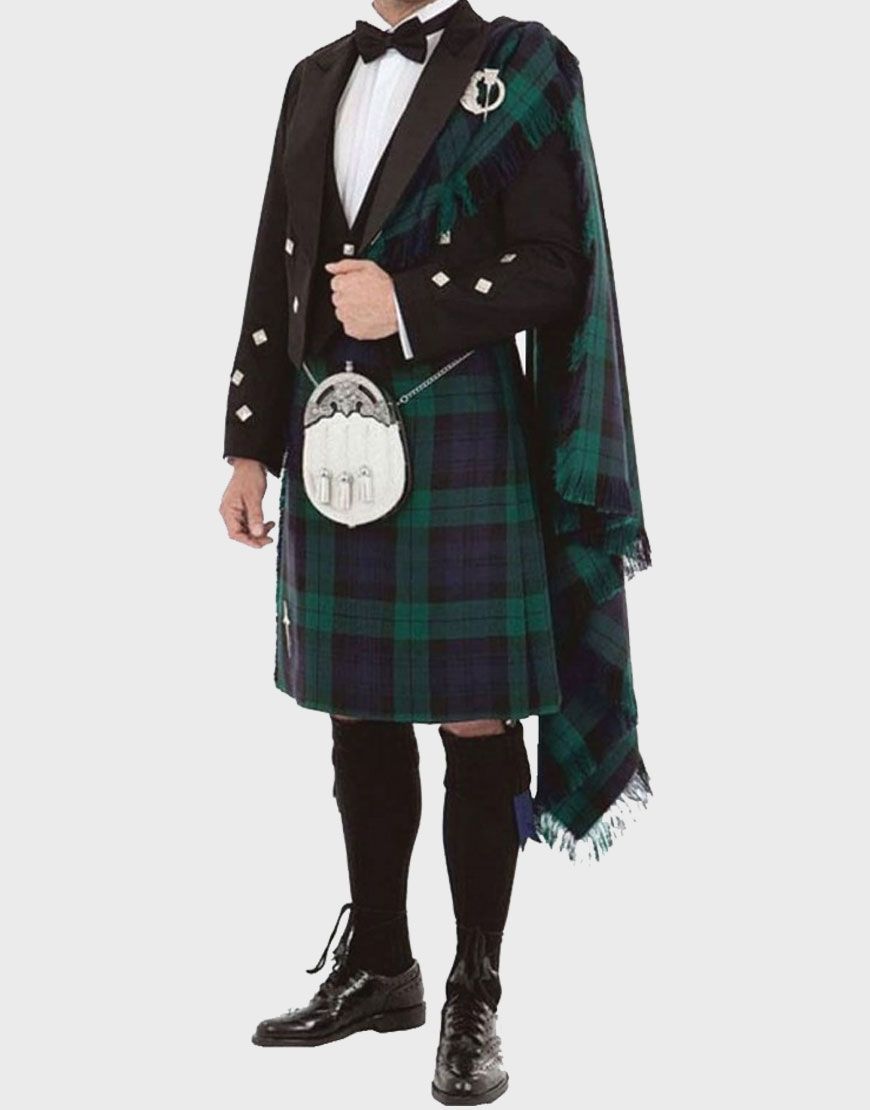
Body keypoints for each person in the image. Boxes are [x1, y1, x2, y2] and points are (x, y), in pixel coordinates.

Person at [218, 0, 653, 1102]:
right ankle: (380, 965)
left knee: (476, 714)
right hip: (327, 424)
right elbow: (275, 266)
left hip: (461, 428)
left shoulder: (519, 65)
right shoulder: (315, 75)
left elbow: (556, 265)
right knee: (356, 707)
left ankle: (475, 991)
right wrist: (249, 447)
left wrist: (408, 303)